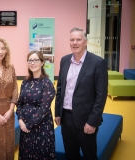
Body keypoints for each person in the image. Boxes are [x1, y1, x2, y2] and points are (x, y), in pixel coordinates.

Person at [55, 27, 108, 160]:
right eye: (72, 39)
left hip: (86, 120)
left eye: (79, 39)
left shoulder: (98, 63)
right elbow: (60, 88)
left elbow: (101, 96)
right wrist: (57, 113)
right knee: (70, 154)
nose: (75, 42)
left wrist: (92, 122)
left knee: (89, 155)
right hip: (66, 118)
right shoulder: (65, 60)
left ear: (85, 42)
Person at [16, 50, 56, 160]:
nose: (32, 63)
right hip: (25, 127)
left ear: (42, 62)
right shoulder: (25, 82)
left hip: (41, 128)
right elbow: (20, 103)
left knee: (40, 154)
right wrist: (20, 120)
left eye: (35, 60)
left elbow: (44, 109)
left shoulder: (47, 83)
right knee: (27, 154)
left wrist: (28, 125)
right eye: (30, 60)